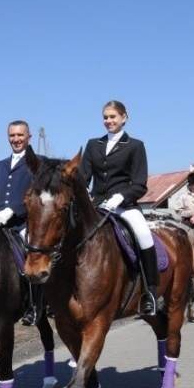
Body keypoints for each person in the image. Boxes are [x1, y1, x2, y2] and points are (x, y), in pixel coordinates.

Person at [79, 100, 159, 316]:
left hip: (124, 205)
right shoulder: (93, 144)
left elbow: (140, 184)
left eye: (112, 116)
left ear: (124, 117)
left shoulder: (135, 146)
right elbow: (83, 177)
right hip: (97, 205)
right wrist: (84, 191)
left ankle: (151, 292)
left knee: (143, 234)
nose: (108, 121)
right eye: (105, 117)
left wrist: (121, 197)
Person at [0, 120, 43, 325]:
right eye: (12, 135)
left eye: (20, 135)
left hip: (24, 224)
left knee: (32, 252)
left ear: (29, 137)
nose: (16, 139)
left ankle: (34, 306)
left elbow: (37, 195)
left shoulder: (38, 163)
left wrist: (12, 210)